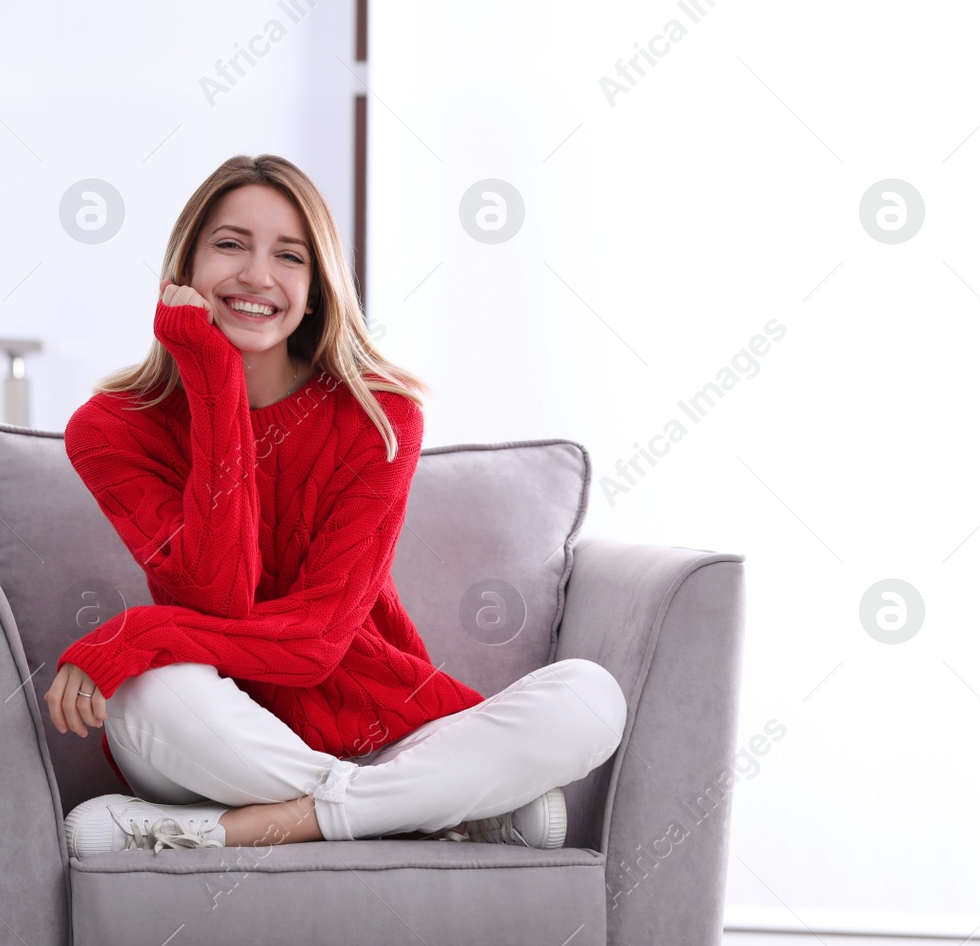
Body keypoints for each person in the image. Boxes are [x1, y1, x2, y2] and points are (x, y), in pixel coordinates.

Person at [44, 153, 626, 857]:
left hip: (383, 724)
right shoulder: (112, 428)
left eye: (289, 256)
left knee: (592, 697)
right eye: (230, 244)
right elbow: (215, 593)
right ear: (184, 270)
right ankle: (430, 807)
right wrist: (212, 380)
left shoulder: (379, 415)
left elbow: (317, 639)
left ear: (316, 288)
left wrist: (132, 634)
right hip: (215, 740)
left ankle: (258, 828)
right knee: (146, 694)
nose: (257, 275)